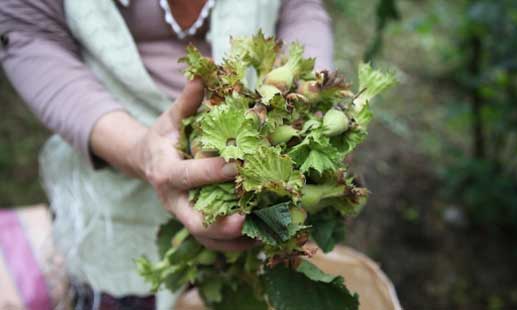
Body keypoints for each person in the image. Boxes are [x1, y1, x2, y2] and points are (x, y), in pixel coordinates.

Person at [0, 0, 333, 308]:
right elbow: (27, 32)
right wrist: (135, 150)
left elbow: (300, 7)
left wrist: (308, 93)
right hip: (114, 195)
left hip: (258, 194)